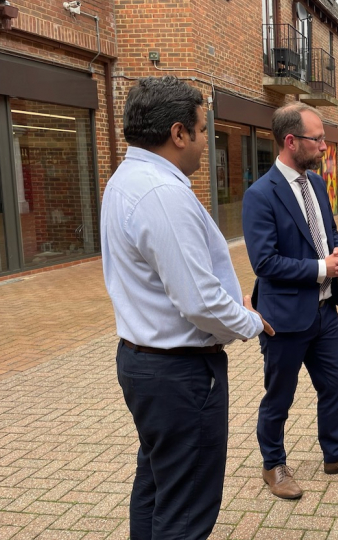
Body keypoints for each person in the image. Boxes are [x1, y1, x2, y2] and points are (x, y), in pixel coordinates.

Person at [101, 76, 274, 539]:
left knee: (157, 485)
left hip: (145, 363)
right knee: (186, 507)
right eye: (202, 131)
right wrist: (251, 322)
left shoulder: (125, 179)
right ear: (178, 133)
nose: (204, 142)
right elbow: (200, 301)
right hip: (179, 375)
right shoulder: (162, 193)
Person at [242, 102, 338, 500]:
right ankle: (273, 465)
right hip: (284, 318)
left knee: (337, 381)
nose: (325, 146)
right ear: (291, 141)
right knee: (280, 397)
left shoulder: (318, 185)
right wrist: (323, 268)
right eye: (318, 139)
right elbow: (265, 262)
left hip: (324, 312)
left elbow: (330, 232)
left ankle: (335, 455)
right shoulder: (260, 195)